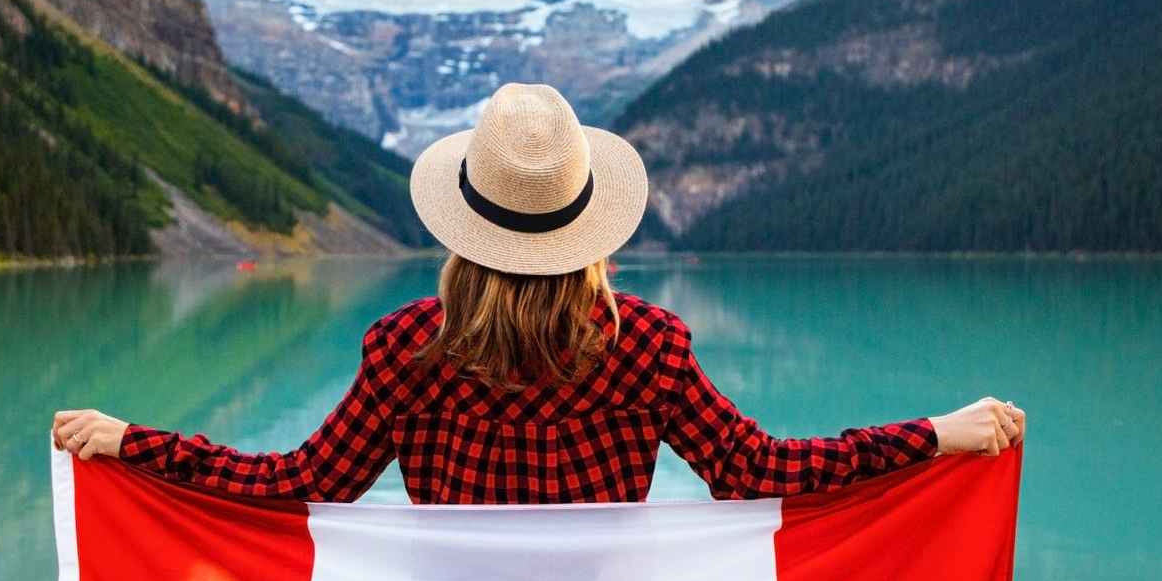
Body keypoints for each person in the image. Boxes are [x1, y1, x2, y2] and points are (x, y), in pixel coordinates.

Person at [52, 82, 1023, 502]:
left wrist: (135, 444)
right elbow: (758, 471)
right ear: (586, 226)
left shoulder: (405, 350)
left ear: (462, 223)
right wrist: (938, 435)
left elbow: (297, 486)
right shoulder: (646, 345)